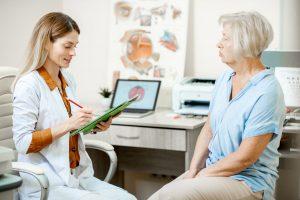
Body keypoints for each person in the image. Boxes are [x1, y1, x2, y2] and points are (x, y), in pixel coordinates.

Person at [148, 11, 285, 200]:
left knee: (172, 197)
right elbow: (209, 128)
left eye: (225, 38)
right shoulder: (224, 79)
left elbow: (246, 157)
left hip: (248, 182)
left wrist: (202, 175)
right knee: (159, 196)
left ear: (244, 42)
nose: (219, 43)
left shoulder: (267, 90)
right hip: (214, 172)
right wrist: (193, 170)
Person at [12, 12, 136, 200]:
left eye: (75, 46)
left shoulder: (68, 79)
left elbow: (68, 134)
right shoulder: (28, 85)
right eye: (67, 46)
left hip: (77, 176)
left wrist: (93, 126)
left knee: (129, 199)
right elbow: (22, 142)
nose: (73, 53)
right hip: (46, 183)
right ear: (46, 42)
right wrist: (69, 124)